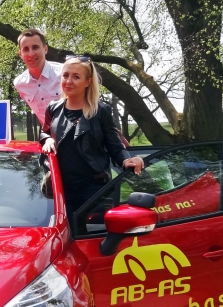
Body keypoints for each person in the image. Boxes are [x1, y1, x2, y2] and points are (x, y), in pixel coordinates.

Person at [40, 55, 144, 219]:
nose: (68, 81)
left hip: (95, 190)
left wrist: (127, 160)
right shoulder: (53, 108)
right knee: (66, 232)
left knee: (96, 233)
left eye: (76, 77)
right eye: (65, 75)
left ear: (88, 82)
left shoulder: (101, 111)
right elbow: (44, 131)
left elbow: (115, 146)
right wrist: (47, 139)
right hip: (62, 188)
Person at [13, 29, 63, 126]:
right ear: (20, 54)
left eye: (35, 47)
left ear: (45, 49)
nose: (31, 54)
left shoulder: (64, 73)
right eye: (26, 49)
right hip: (49, 134)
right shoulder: (19, 84)